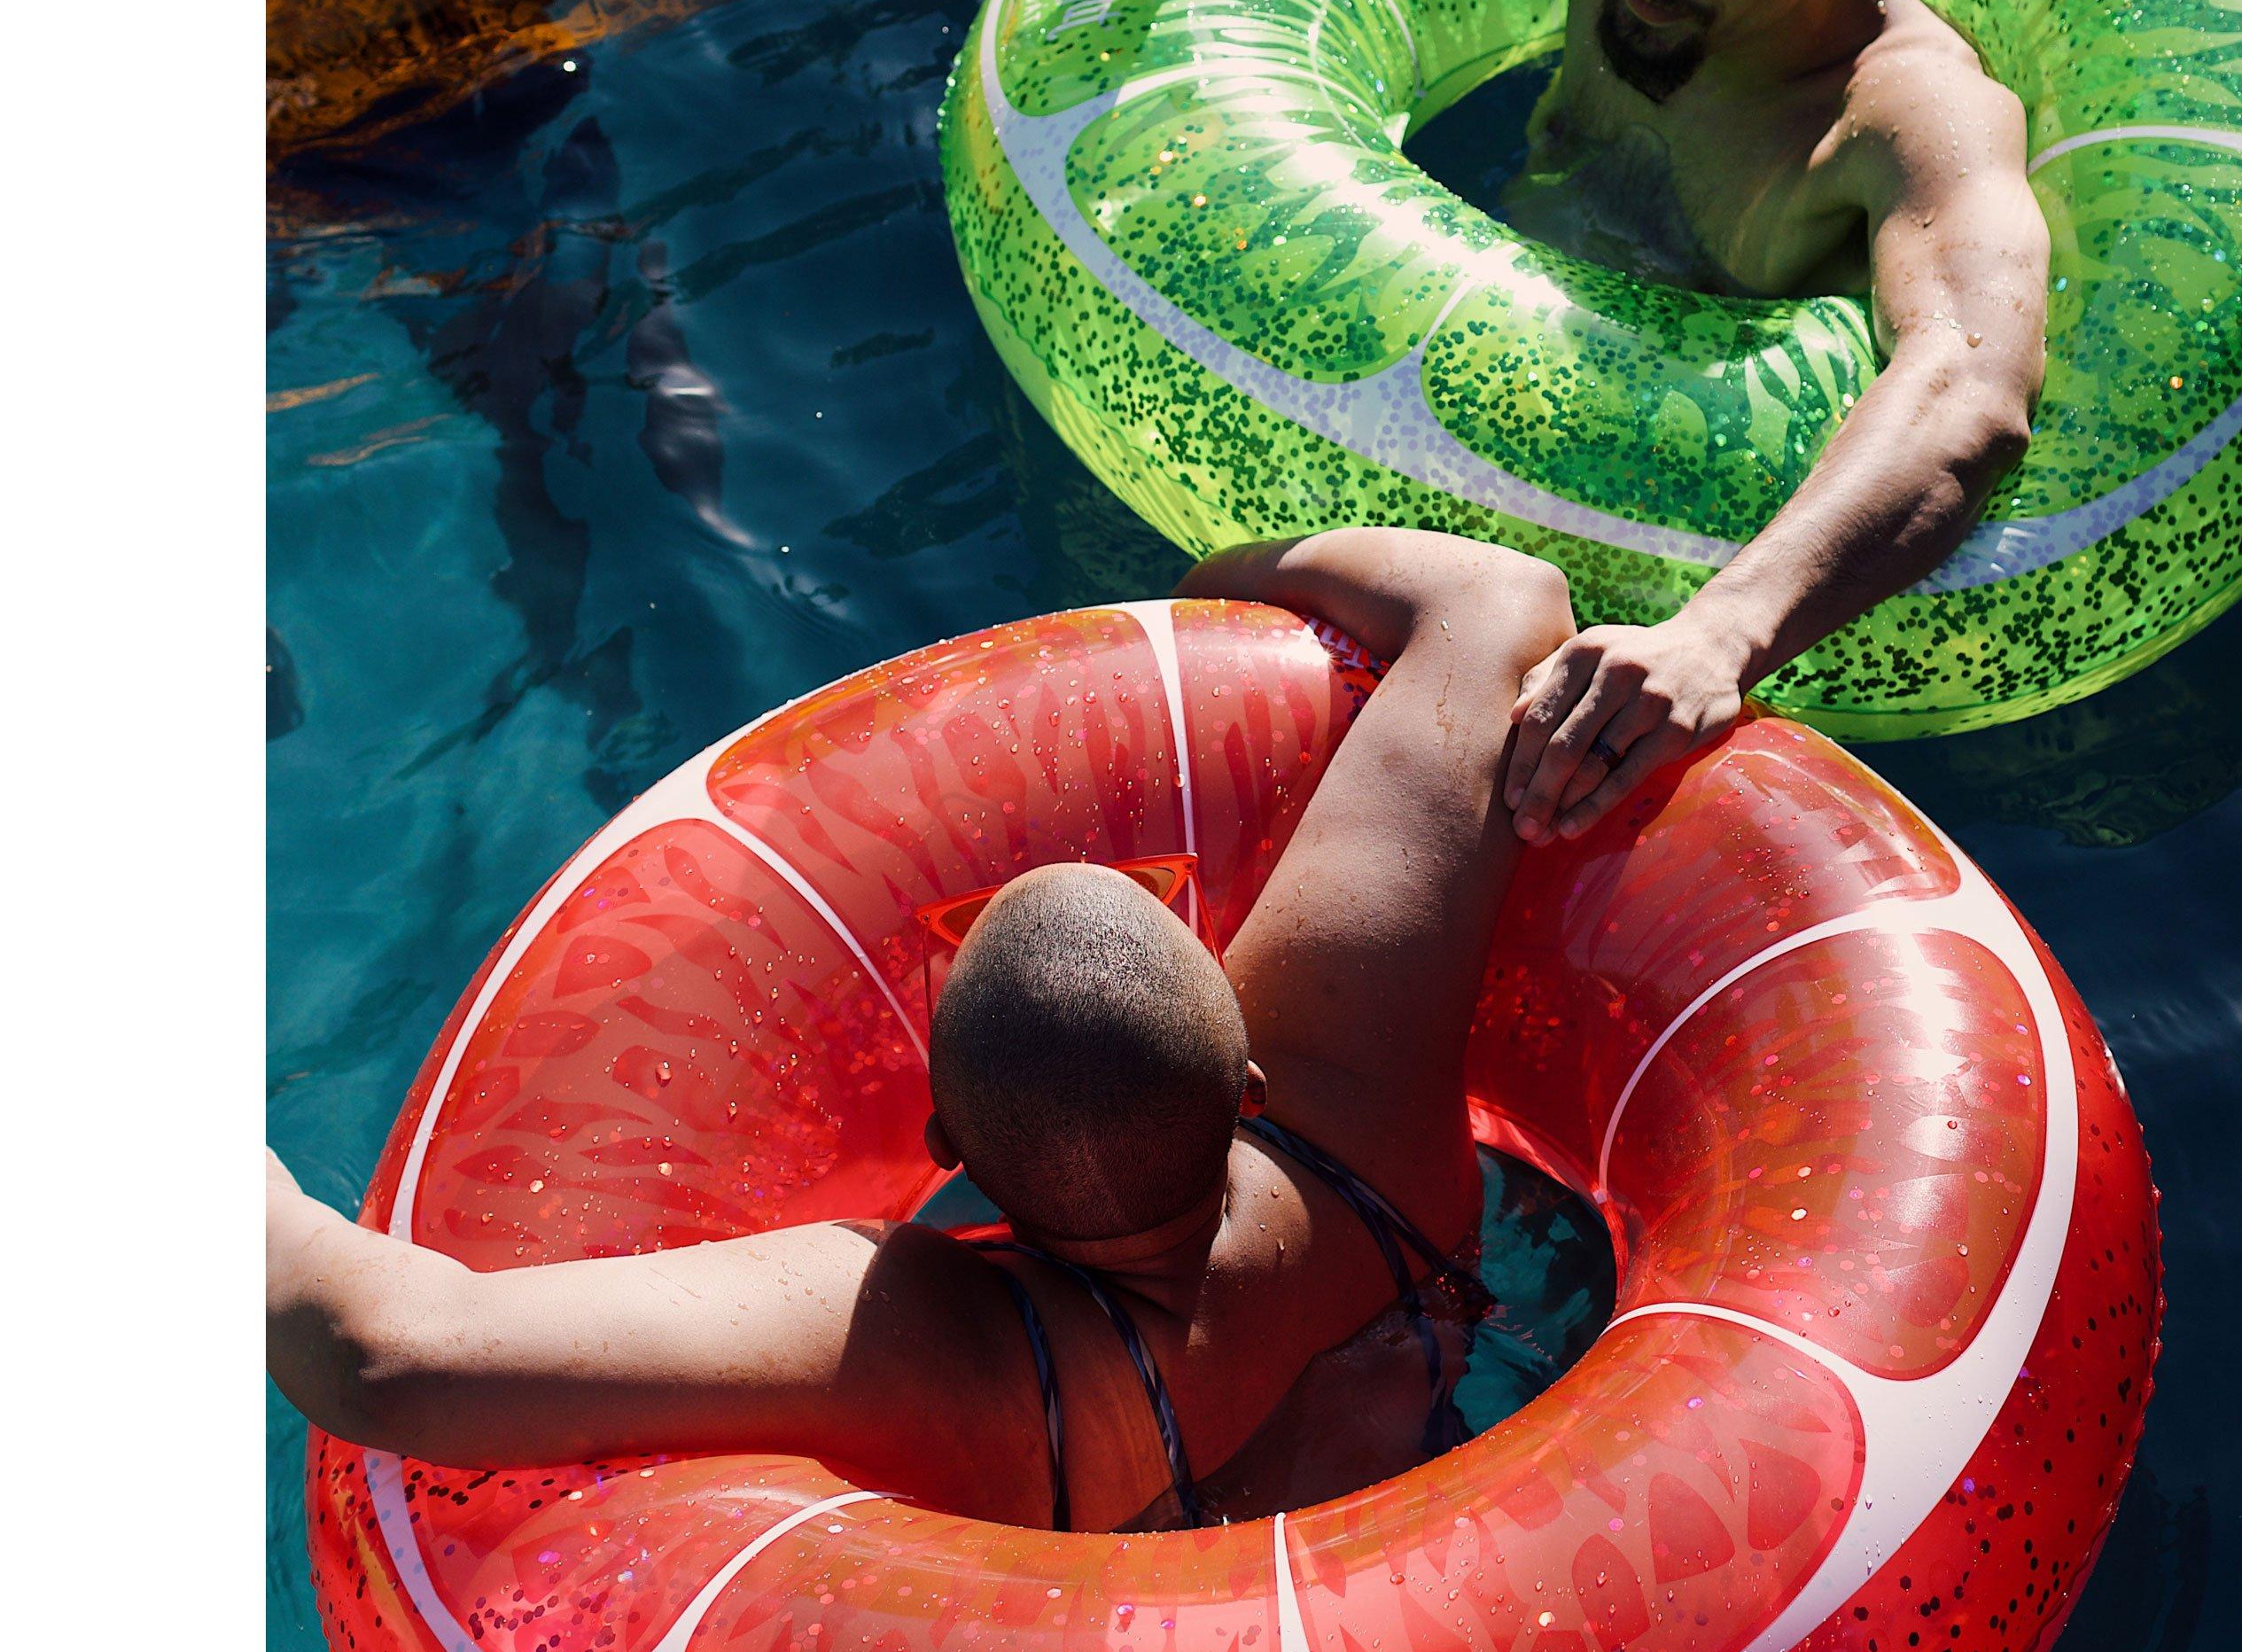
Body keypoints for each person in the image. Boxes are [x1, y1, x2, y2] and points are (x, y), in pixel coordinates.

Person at [267, 527, 1573, 1531]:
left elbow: (388, 1358)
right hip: (1461, 1454)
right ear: (1243, 1069)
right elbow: (1498, 601)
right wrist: (1201, 596)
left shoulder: (943, 1347)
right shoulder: (1360, 1084)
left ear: (947, 1148)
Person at [1056, 0, 2050, 845]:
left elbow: (1973, 385)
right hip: (1411, 436)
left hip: (1620, 593)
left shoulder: (1904, 111)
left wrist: (1719, 633)